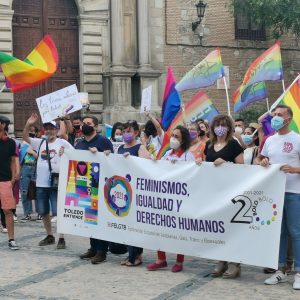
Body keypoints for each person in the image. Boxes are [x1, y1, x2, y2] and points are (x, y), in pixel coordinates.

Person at [256, 105, 300, 290]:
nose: (275, 117)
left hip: (293, 192)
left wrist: (294, 169)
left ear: (289, 119)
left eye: (280, 115)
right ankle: (281, 269)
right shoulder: (269, 140)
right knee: (279, 233)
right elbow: (260, 159)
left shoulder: (297, 139)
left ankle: (298, 271)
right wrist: (263, 161)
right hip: (274, 193)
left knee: (295, 232)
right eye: (274, 114)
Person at [147, 125, 194, 273]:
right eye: (172, 135)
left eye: (177, 136)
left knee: (179, 230)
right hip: (165, 199)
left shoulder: (188, 156)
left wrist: (178, 167)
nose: (173, 138)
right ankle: (161, 259)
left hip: (180, 199)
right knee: (160, 228)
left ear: (183, 139)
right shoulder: (167, 154)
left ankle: (179, 261)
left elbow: (191, 175)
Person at [23, 113, 73, 249]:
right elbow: (25, 138)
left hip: (56, 183)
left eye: (52, 128)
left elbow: (75, 156)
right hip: (41, 183)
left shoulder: (63, 142)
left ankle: (61, 237)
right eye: (47, 128)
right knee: (43, 210)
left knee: (59, 210)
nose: (49, 130)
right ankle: (50, 235)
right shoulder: (40, 142)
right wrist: (28, 124)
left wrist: (66, 154)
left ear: (57, 130)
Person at [204, 115, 244, 278]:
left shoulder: (234, 144)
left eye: (224, 125)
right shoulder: (209, 145)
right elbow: (207, 164)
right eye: (217, 125)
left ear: (229, 128)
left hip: (231, 192)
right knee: (218, 227)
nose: (220, 128)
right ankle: (221, 260)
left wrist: (227, 164)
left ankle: (235, 263)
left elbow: (242, 167)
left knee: (231, 228)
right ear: (213, 128)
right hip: (214, 192)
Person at [77, 116, 114, 265]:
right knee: (89, 218)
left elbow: (112, 161)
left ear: (96, 126)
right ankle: (93, 247)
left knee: (100, 219)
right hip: (85, 186)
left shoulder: (103, 141)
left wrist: (98, 153)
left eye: (89, 123)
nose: (85, 125)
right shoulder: (79, 144)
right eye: (84, 123)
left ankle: (101, 251)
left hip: (101, 185)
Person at [117, 120, 149, 266]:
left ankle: (136, 255)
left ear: (136, 132)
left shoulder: (140, 147)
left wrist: (133, 159)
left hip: (136, 190)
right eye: (124, 131)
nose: (125, 134)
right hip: (123, 190)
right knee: (127, 223)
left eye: (128, 131)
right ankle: (131, 254)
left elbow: (147, 164)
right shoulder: (120, 148)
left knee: (135, 225)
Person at [0, 115, 19, 250]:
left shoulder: (11, 142)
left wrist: (13, 178)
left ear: (3, 125)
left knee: (8, 210)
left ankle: (11, 240)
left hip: (5, 180)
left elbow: (13, 161)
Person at [19, 125, 39, 221]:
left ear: (36, 133)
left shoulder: (39, 142)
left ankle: (40, 213)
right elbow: (20, 157)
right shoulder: (23, 143)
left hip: (37, 168)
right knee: (24, 191)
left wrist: (33, 152)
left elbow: (40, 156)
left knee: (38, 191)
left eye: (33, 131)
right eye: (29, 131)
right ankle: (27, 213)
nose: (31, 132)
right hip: (26, 168)